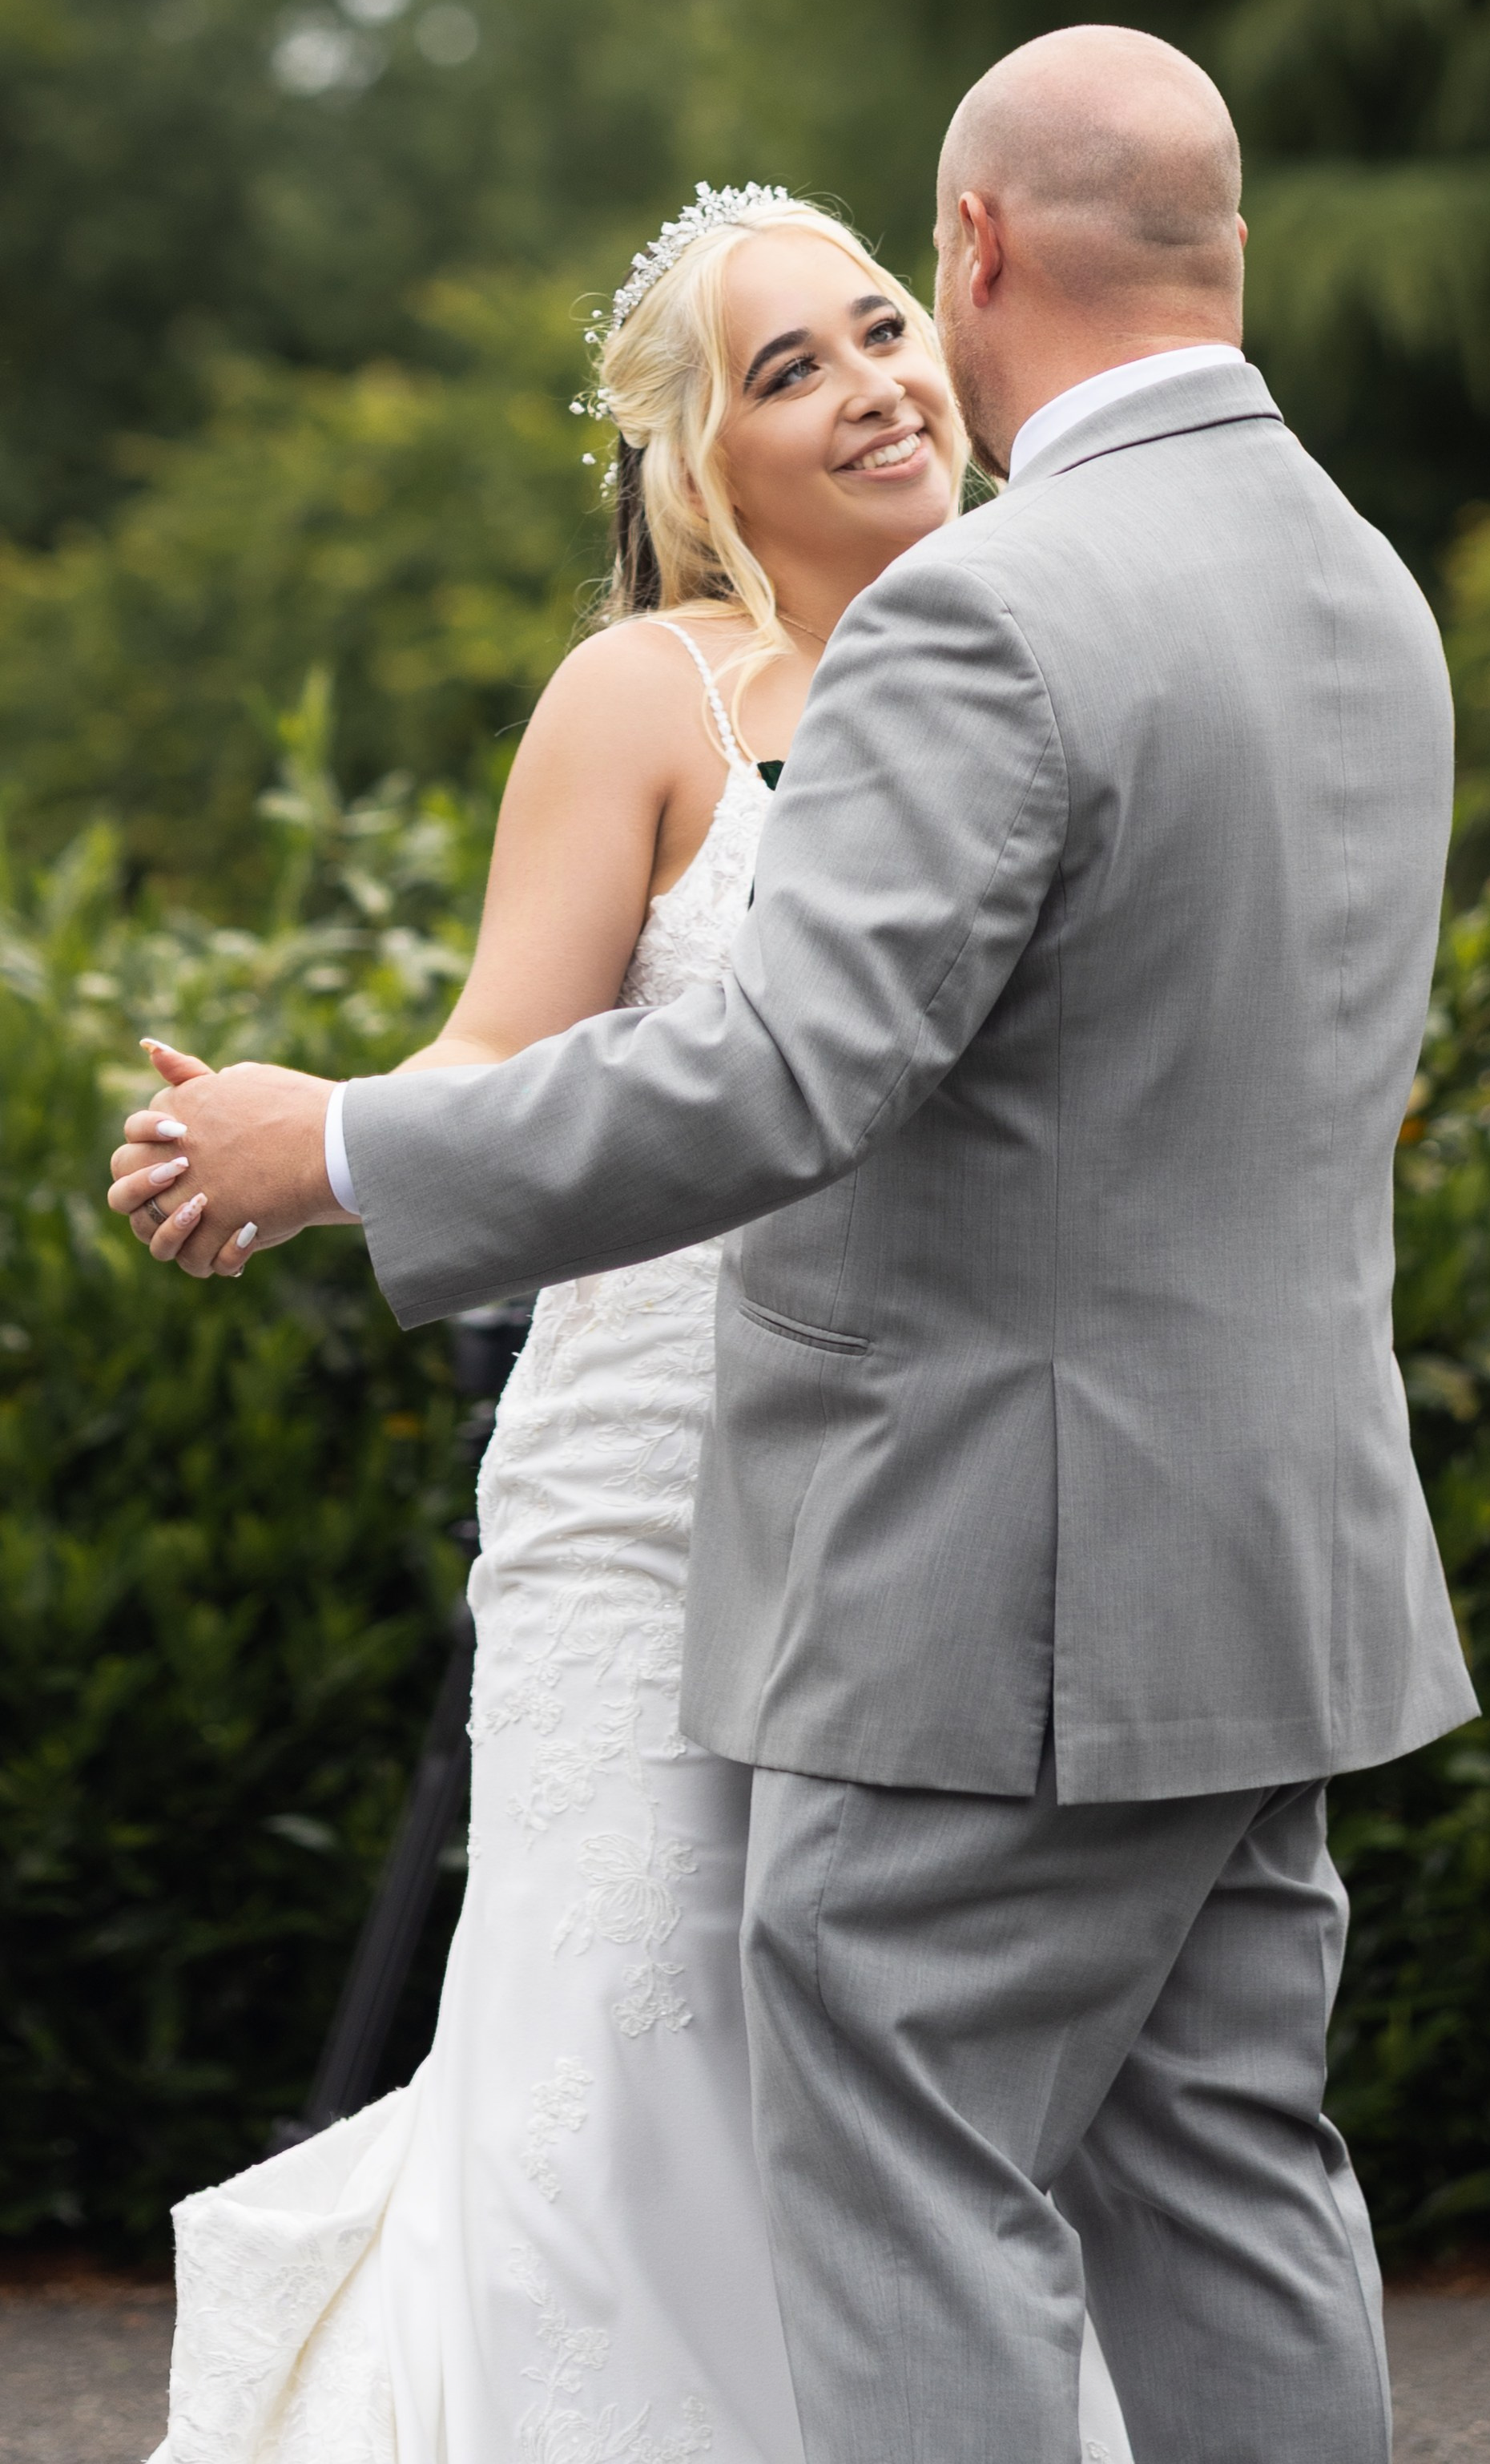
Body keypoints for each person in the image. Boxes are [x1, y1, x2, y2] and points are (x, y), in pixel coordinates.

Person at [116, 25, 1480, 2464]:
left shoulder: (1001, 616)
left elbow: (773, 1080)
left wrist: (337, 1154)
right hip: (1271, 1570)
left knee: (905, 2202)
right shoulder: (1360, 588)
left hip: (988, 1588)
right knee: (1223, 2186)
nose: (872, 377)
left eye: (879, 311)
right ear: (1230, 244)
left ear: (966, 251)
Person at [138, 191, 1135, 2462]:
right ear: (703, 463)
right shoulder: (654, 695)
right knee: (610, 2060)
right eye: (791, 368)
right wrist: (307, 1150)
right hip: (649, 1494)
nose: (874, 382)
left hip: (939, 1500)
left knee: (890, 2118)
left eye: (882, 326)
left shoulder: (1059, 642)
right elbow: (511, 1061)